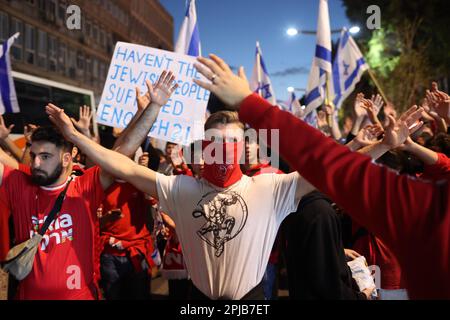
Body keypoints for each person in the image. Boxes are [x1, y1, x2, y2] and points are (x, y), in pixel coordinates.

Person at [192, 53, 450, 299]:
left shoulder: (427, 209)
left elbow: (326, 162)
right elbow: (328, 164)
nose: (230, 149)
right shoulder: (429, 209)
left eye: (235, 141)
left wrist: (249, 102)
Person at [45, 82, 315, 300]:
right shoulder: (180, 188)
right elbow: (123, 167)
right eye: (216, 141)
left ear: (244, 144)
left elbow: (328, 172)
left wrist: (356, 144)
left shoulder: (270, 187)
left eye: (232, 141)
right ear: (204, 146)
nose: (224, 148)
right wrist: (75, 136)